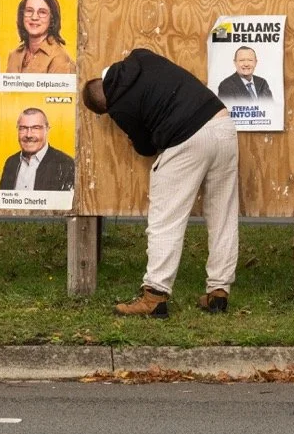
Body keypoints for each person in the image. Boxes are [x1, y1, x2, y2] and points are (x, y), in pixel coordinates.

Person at [82, 48, 239, 319]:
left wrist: (137, 137)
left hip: (186, 138)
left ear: (104, 108)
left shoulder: (118, 107)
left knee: (166, 219)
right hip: (223, 124)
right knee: (223, 214)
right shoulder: (141, 56)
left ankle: (154, 295)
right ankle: (218, 292)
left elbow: (146, 147)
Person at [0, 108, 75, 191]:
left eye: (36, 128)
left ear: (47, 130)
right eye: (23, 128)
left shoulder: (66, 164)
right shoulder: (11, 162)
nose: (29, 135)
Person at [5, 0, 74, 74]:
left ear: (52, 18)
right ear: (22, 15)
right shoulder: (14, 55)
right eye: (29, 11)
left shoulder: (60, 58)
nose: (34, 17)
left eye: (42, 12)